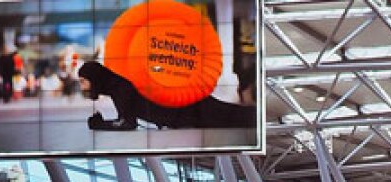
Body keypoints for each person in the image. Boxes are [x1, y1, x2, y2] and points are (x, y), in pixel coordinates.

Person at [78, 61, 258, 132]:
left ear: (95, 79)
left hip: (190, 109)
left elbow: (127, 123)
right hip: (188, 109)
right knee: (235, 118)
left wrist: (100, 125)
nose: (82, 87)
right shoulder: (118, 85)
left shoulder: (120, 88)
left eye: (83, 81)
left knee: (239, 119)